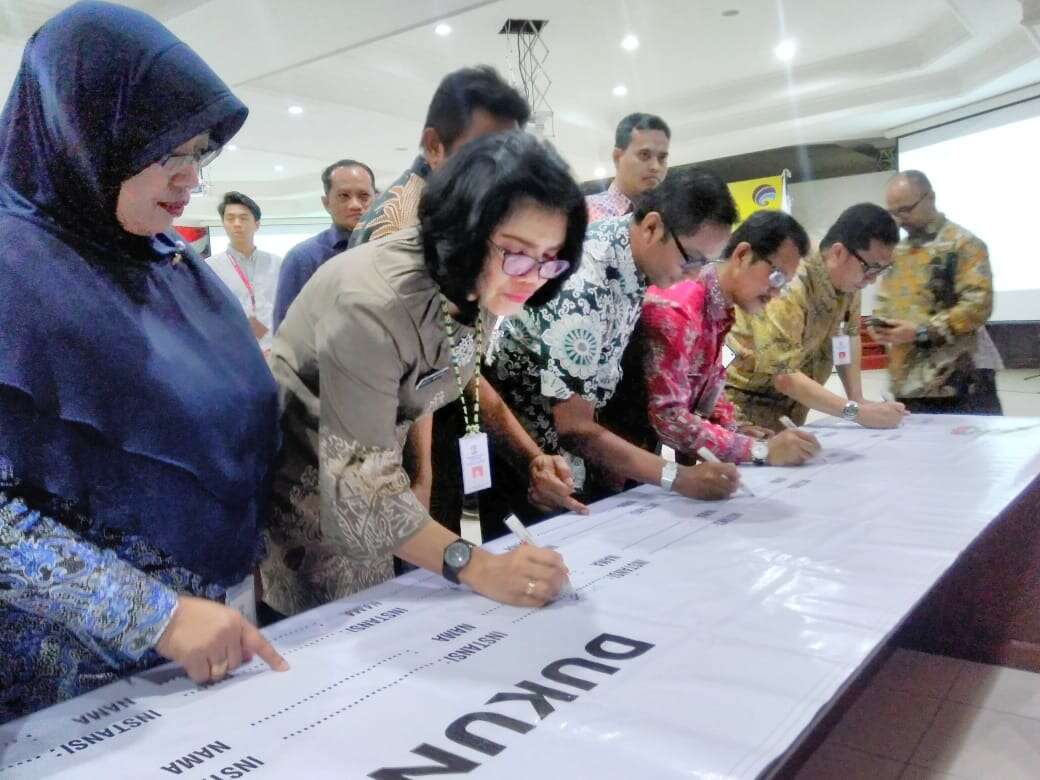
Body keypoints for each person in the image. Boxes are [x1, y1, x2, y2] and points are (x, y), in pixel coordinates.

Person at [0, 0, 287, 723]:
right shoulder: (13, 269)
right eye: (169, 152)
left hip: (206, 653)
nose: (192, 179)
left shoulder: (168, 264)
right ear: (81, 133)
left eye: (201, 152)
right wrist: (154, 616)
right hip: (66, 694)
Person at [261, 132, 587, 618]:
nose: (532, 276)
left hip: (373, 467)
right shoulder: (369, 304)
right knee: (344, 635)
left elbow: (452, 370)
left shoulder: (483, 281)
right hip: (312, 489)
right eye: (518, 254)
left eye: (550, 259)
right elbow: (360, 495)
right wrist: (480, 565)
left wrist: (530, 456)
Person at [485, 169, 742, 540]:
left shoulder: (632, 261)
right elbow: (573, 426)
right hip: (526, 457)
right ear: (653, 227)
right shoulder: (587, 280)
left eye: (705, 264)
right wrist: (676, 477)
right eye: (691, 260)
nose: (694, 276)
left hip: (562, 452)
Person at [348, 65, 530, 535]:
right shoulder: (401, 231)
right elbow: (407, 381)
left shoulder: (466, 214)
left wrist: (529, 454)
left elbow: (458, 356)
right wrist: (421, 476)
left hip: (430, 432)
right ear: (434, 146)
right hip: (376, 454)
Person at [636, 211, 821, 465]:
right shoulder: (681, 306)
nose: (776, 293)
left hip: (643, 451)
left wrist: (734, 429)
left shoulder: (720, 310)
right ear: (742, 255)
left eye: (784, 284)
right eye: (776, 276)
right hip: (614, 457)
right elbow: (669, 417)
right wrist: (757, 450)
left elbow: (707, 386)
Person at [725, 204, 908, 431]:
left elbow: (848, 336)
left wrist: (857, 398)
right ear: (839, 252)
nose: (872, 279)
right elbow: (783, 376)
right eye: (870, 268)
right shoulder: (791, 283)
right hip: (744, 406)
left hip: (792, 407)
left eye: (882, 270)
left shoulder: (850, 283)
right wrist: (857, 412)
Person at [349, 66, 529, 248]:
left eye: (511, 152)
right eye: (483, 152)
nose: (503, 167)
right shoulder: (404, 228)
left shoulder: (443, 206)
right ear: (433, 146)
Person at [872, 170, 1003, 414]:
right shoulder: (897, 252)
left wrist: (921, 332)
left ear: (930, 198)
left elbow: (977, 306)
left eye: (906, 210)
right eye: (893, 213)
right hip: (908, 384)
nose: (900, 220)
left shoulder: (963, 244)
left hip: (959, 383)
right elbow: (884, 300)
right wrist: (880, 326)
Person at [273, 159, 376, 330]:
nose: (355, 205)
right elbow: (286, 333)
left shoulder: (390, 251)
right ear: (326, 202)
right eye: (344, 196)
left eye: (363, 196)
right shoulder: (303, 258)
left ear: (376, 199)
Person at [208, 191, 282, 354]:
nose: (237, 223)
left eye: (243, 218)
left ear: (257, 224)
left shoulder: (277, 264)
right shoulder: (210, 268)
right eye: (230, 218)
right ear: (223, 223)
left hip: (275, 349)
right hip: (232, 352)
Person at [585, 113, 670, 223]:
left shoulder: (671, 217)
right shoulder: (584, 213)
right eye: (644, 154)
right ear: (617, 157)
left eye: (662, 157)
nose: (655, 167)